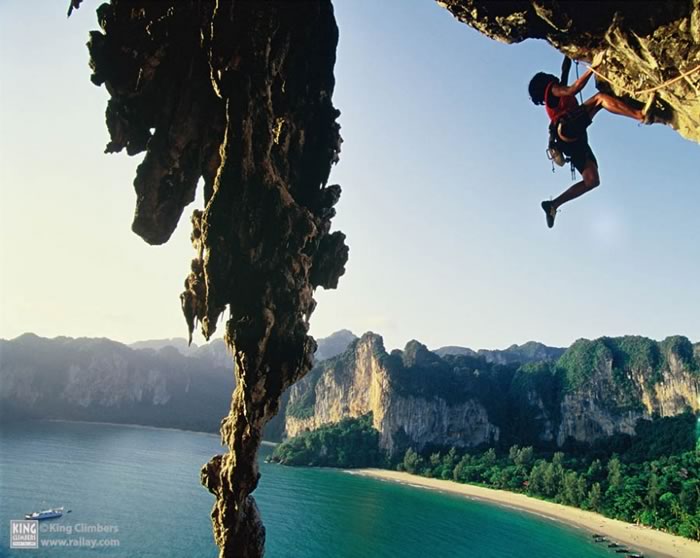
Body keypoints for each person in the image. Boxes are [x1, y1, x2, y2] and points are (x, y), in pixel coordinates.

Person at [528, 55, 655, 228]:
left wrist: (567, 55)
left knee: (592, 180)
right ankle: (640, 115)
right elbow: (574, 88)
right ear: (545, 82)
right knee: (600, 98)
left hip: (571, 140)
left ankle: (553, 205)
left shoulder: (555, 94)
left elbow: (564, 71)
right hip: (568, 127)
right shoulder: (552, 89)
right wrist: (593, 67)